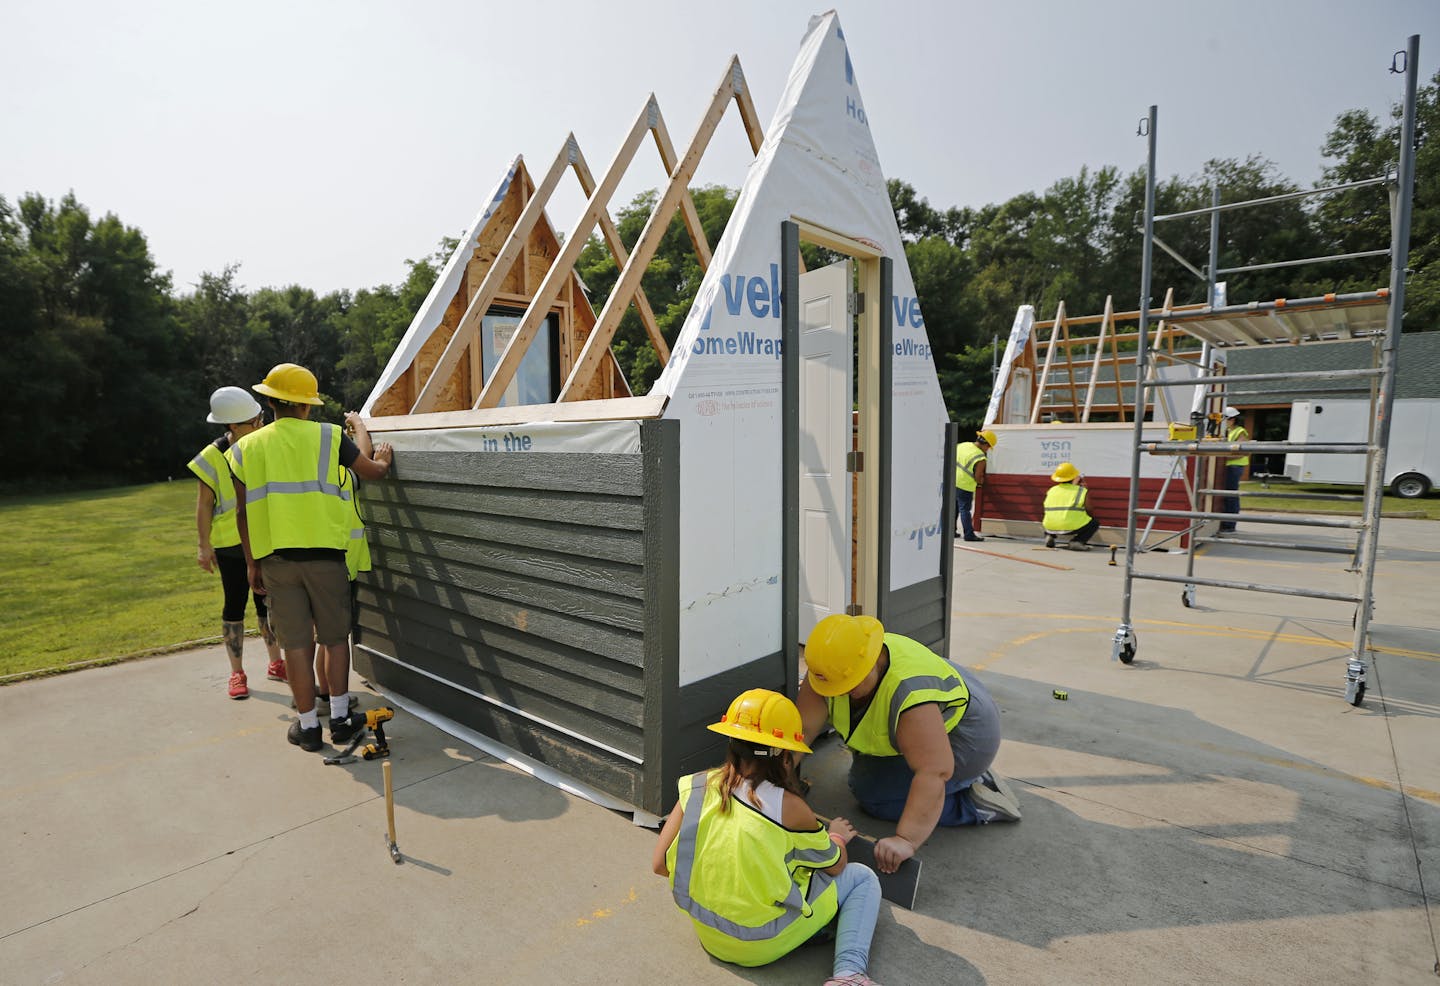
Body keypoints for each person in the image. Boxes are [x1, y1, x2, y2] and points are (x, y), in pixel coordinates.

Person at [653, 689, 884, 986]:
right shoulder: (791, 808)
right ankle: (849, 975)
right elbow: (836, 866)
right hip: (762, 944)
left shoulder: (696, 786)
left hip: (710, 936)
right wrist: (836, 837)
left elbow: (660, 865)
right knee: (862, 878)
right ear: (784, 755)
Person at [227, 363, 393, 752]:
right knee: (335, 640)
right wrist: (381, 458)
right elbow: (370, 472)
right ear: (308, 406)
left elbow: (241, 513)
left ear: (269, 402)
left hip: (276, 562)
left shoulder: (244, 448)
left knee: (295, 646)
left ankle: (308, 728)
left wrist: (252, 564)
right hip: (326, 558)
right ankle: (338, 718)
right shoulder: (330, 437)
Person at [797, 615, 1019, 876]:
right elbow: (802, 730)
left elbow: (933, 771)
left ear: (871, 662)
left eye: (850, 685)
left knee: (872, 794)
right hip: (943, 704)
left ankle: (974, 804)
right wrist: (769, 783)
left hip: (967, 738)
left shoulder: (910, 696)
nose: (841, 692)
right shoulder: (834, 666)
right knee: (869, 773)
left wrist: (906, 839)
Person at [187, 386, 285, 700]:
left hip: (262, 539)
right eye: (253, 422)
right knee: (234, 606)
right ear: (232, 426)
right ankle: (237, 673)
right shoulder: (211, 457)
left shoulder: (263, 445)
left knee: (267, 605)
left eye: (259, 419)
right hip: (230, 545)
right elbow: (204, 504)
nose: (260, 425)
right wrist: (204, 546)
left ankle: (276, 663)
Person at [1042, 462, 1100, 551]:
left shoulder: (1051, 490)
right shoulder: (1081, 491)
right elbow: (1090, 510)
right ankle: (1077, 541)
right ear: (1075, 477)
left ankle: (1049, 536)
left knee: (1051, 518)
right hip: (1072, 528)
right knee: (1094, 523)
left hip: (1050, 527)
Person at [954, 430, 995, 542]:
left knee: (954, 507)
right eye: (988, 447)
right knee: (965, 510)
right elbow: (978, 477)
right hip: (965, 485)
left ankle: (951, 531)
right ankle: (969, 534)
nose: (987, 450)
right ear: (985, 444)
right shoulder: (980, 457)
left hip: (952, 481)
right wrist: (981, 481)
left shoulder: (962, 445)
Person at [1219, 406, 1249, 533]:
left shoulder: (1240, 431)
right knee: (1226, 495)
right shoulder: (1227, 432)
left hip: (1235, 466)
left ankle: (1229, 525)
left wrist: (1223, 456)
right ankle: (1225, 522)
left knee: (1231, 495)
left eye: (1225, 419)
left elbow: (1242, 451)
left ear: (1232, 419)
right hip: (1228, 466)